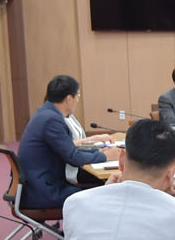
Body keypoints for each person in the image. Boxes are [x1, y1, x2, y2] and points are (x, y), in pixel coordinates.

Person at [18, 75, 116, 209]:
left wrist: (97, 151)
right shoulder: (51, 120)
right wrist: (105, 156)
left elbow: (68, 148)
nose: (78, 100)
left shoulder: (45, 112)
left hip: (39, 185)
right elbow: (73, 157)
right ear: (69, 99)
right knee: (101, 195)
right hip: (44, 191)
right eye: (78, 96)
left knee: (100, 189)